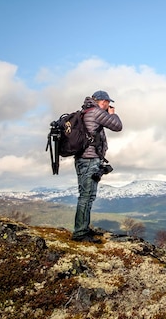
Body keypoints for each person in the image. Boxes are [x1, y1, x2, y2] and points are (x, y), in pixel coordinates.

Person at [72, 90, 123, 243]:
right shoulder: (95, 112)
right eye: (108, 103)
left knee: (87, 196)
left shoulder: (85, 111)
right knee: (87, 197)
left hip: (84, 159)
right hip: (89, 160)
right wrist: (112, 113)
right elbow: (117, 126)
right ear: (103, 101)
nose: (108, 105)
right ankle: (80, 233)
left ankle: (84, 228)